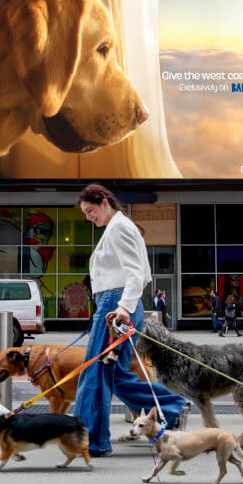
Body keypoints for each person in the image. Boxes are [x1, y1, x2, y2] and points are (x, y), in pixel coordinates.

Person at [73, 184, 189, 458]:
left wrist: (122, 308)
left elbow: (136, 272)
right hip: (117, 304)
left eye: (90, 211)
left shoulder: (118, 227)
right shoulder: (120, 226)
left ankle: (90, 440)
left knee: (95, 373)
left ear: (103, 201)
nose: (89, 217)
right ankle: (172, 407)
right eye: (86, 213)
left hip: (115, 306)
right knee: (112, 374)